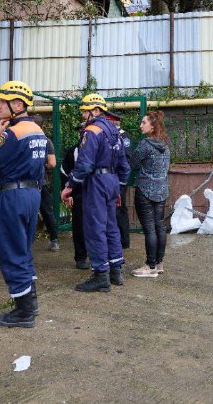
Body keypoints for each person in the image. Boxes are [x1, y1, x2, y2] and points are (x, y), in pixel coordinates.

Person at [0, 81, 47, 327]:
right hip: (32, 194)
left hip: (13, 195)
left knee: (11, 251)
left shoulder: (12, 132)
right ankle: (31, 303)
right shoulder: (37, 130)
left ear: (18, 105)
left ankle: (23, 312)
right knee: (23, 249)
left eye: (2, 102)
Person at [61, 93, 130, 293]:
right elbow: (124, 166)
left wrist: (70, 186)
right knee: (111, 226)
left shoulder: (92, 131)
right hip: (112, 181)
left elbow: (85, 164)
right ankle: (116, 271)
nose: (83, 115)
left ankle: (101, 275)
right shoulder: (115, 132)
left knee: (94, 228)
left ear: (96, 110)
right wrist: (119, 188)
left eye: (85, 111)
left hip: (96, 182)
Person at [130, 110, 171, 278]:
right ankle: (159, 264)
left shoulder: (145, 145)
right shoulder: (165, 145)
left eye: (144, 123)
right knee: (159, 226)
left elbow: (133, 163)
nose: (141, 125)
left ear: (152, 126)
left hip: (145, 190)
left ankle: (150, 266)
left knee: (149, 228)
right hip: (161, 190)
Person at [60, 122, 89, 269]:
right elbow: (64, 172)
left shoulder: (99, 150)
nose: (81, 134)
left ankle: (98, 256)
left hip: (96, 192)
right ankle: (81, 257)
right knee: (79, 226)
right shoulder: (72, 152)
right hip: (78, 193)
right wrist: (68, 192)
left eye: (84, 132)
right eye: (80, 132)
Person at [32, 114, 60, 252]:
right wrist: (43, 166)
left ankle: (26, 242)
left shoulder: (25, 139)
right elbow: (52, 163)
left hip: (26, 183)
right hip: (42, 182)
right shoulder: (46, 141)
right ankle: (54, 241)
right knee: (47, 212)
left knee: (27, 213)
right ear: (42, 126)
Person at [105, 112, 132, 250]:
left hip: (118, 178)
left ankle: (124, 240)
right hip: (110, 177)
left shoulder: (123, 136)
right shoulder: (109, 135)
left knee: (119, 209)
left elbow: (126, 158)